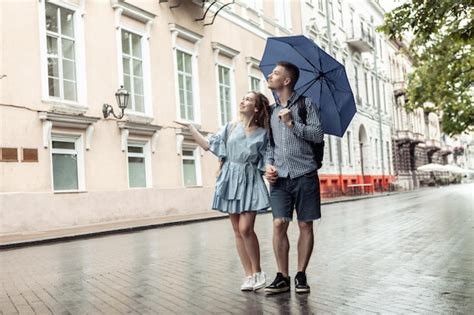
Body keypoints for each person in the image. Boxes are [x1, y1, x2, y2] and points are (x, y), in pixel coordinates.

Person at [175, 91, 271, 292]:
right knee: (237, 231)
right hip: (229, 178)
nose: (243, 100)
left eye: (248, 99)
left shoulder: (263, 133)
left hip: (249, 179)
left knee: (246, 228)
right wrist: (191, 129)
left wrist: (270, 169)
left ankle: (258, 271)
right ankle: (248, 275)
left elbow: (267, 158)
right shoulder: (230, 127)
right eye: (243, 97)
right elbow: (209, 145)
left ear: (256, 108)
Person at [263, 61, 324, 294]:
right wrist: (268, 165)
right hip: (279, 178)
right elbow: (270, 145)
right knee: (279, 223)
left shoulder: (306, 104)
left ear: (286, 81)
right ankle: (282, 276)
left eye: (276, 73)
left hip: (305, 174)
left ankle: (300, 274)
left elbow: (317, 135)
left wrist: (292, 123)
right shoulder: (270, 110)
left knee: (305, 224)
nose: (271, 75)